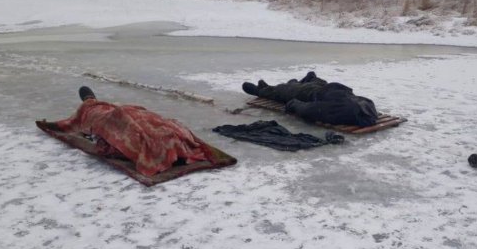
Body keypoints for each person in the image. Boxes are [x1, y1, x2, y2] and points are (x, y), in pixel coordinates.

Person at [54, 86, 218, 176]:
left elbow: (71, 123)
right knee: (132, 117)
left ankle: (91, 101)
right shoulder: (89, 112)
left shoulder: (88, 114)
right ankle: (92, 101)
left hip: (109, 114)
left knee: (127, 116)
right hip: (112, 114)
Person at [242, 72, 378, 127]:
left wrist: (293, 104)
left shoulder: (366, 105)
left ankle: (263, 90)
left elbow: (309, 109)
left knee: (288, 90)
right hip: (314, 91)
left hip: (324, 88)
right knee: (287, 90)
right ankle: (264, 90)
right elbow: (309, 109)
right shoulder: (344, 110)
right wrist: (293, 104)